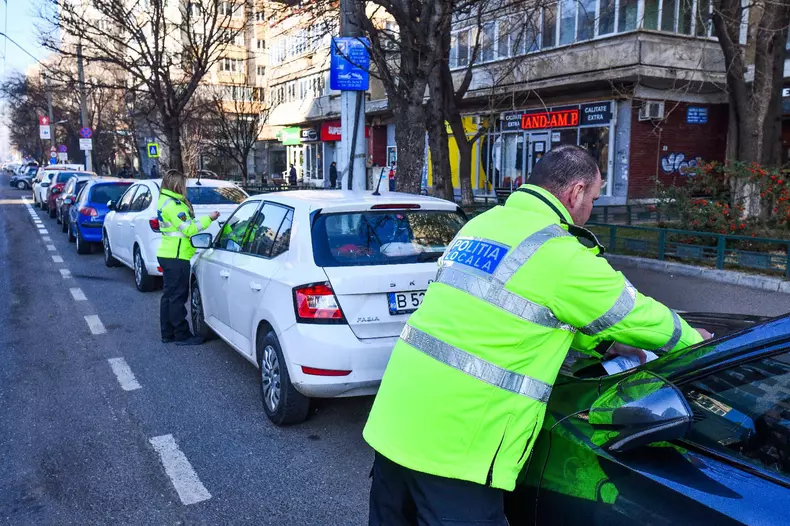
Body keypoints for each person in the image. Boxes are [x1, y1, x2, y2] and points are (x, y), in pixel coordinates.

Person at [363, 144, 711, 525]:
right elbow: (638, 315)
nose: (591, 209)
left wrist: (603, 344)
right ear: (576, 192)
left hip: (395, 426)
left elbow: (510, 313)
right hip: (455, 450)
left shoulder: (480, 226)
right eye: (594, 199)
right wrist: (698, 342)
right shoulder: (560, 254)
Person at [156, 170, 220, 346]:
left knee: (169, 296)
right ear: (177, 185)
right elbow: (189, 230)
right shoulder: (174, 205)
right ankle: (181, 334)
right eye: (183, 184)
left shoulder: (165, 200)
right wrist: (209, 219)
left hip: (168, 254)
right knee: (178, 297)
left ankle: (167, 333)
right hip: (177, 256)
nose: (185, 187)